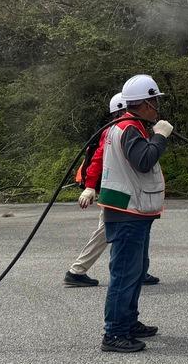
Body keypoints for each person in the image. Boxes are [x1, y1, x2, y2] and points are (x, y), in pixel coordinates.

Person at [99, 73, 173, 353]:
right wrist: (160, 137)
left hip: (131, 210)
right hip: (127, 211)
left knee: (134, 270)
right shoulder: (130, 127)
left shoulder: (129, 126)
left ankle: (128, 322)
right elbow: (143, 161)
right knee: (125, 273)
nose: (157, 106)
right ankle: (115, 333)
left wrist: (154, 135)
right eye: (154, 100)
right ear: (142, 102)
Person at [64, 93, 161, 289]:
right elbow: (99, 158)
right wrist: (90, 186)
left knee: (134, 230)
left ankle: (140, 270)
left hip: (123, 192)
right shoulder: (118, 129)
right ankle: (76, 271)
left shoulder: (126, 128)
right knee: (105, 232)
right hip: (118, 194)